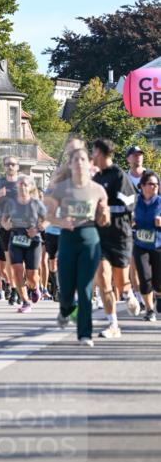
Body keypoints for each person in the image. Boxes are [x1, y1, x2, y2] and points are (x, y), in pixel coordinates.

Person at [44, 147, 110, 346]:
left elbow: (104, 220)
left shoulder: (98, 189)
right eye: (76, 160)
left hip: (90, 237)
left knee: (85, 288)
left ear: (90, 163)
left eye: (83, 159)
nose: (80, 163)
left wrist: (104, 215)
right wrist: (62, 222)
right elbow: (48, 216)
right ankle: (65, 309)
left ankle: (85, 334)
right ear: (71, 165)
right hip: (68, 238)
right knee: (66, 289)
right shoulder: (61, 189)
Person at [91, 137, 139, 339]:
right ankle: (113, 325)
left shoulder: (118, 175)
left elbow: (130, 203)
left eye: (93, 152)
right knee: (103, 278)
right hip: (99, 236)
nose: (91, 156)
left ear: (101, 153)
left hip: (119, 234)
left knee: (120, 282)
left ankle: (128, 293)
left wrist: (106, 208)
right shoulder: (95, 179)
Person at [0, 176, 47, 313]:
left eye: (25, 184)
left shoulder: (36, 203)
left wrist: (38, 229)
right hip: (16, 239)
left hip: (33, 241)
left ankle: (35, 287)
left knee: (32, 275)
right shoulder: (11, 203)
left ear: (30, 187)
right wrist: (6, 225)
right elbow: (4, 220)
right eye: (20, 184)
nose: (22, 187)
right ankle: (25, 301)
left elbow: (47, 220)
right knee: (17, 270)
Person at [132, 170, 161, 321]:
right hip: (140, 244)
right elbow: (127, 216)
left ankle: (159, 294)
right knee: (144, 277)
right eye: (151, 184)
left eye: (156, 184)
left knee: (158, 281)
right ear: (142, 186)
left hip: (158, 245)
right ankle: (149, 310)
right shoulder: (135, 201)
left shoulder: (160, 201)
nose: (154, 186)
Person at [0, 155, 22, 305]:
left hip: (20, 226)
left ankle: (26, 287)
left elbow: (32, 201)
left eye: (13, 164)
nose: (10, 166)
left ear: (18, 167)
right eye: (7, 164)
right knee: (9, 260)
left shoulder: (23, 182)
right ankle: (14, 289)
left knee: (20, 262)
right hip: (4, 226)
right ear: (4, 167)